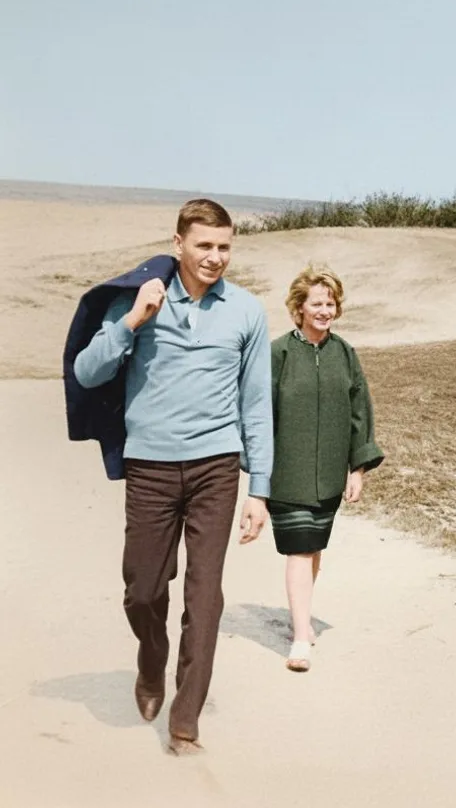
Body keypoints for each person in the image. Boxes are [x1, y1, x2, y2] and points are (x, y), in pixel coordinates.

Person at [72, 199, 273, 755]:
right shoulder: (142, 299)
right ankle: (151, 657)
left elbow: (257, 404)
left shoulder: (247, 311)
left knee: (205, 597)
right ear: (178, 243)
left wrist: (259, 489)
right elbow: (87, 372)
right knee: (142, 590)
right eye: (204, 245)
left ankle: (186, 719)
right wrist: (134, 319)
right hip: (151, 468)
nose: (215, 257)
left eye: (224, 246)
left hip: (216, 467)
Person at [267, 266, 384, 672]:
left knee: (313, 547)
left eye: (330, 303)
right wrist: (260, 473)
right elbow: (259, 414)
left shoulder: (344, 353)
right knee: (300, 549)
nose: (324, 311)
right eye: (316, 303)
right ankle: (301, 636)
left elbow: (359, 412)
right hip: (288, 472)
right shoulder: (278, 353)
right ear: (298, 308)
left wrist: (358, 469)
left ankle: (299, 616)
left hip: (330, 473)